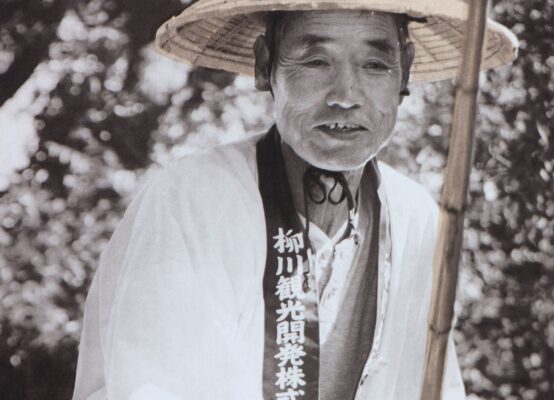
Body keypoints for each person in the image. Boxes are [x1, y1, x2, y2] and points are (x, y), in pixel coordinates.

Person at [72, 1, 517, 399]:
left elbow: (433, 385)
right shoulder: (193, 199)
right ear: (266, 65)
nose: (345, 95)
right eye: (315, 60)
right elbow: (151, 386)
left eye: (376, 64)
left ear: (405, 72)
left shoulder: (415, 218)